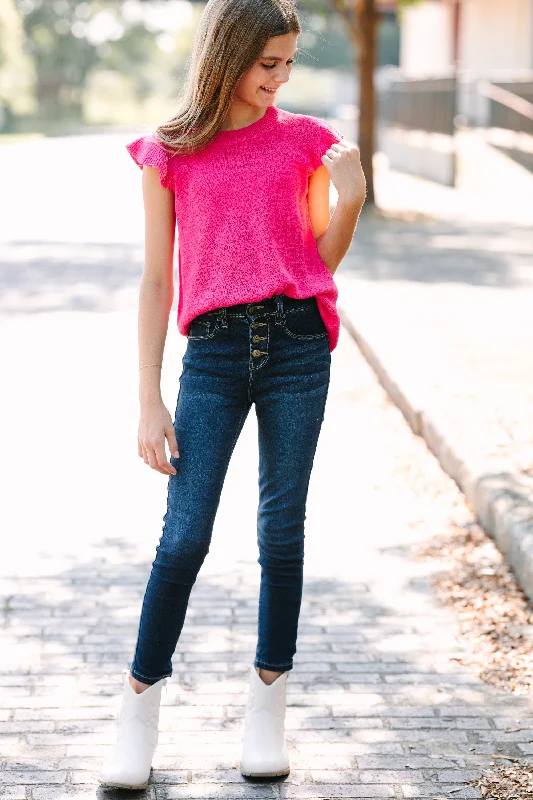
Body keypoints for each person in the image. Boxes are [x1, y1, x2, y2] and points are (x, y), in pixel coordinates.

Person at [98, 0, 366, 790]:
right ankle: (136, 718)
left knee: (280, 534)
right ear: (226, 57)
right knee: (183, 539)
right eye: (267, 64)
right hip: (211, 356)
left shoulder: (308, 143)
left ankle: (265, 713)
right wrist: (149, 399)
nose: (279, 79)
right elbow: (155, 281)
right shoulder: (168, 152)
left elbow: (322, 262)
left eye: (288, 62)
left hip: (295, 347)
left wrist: (348, 199)